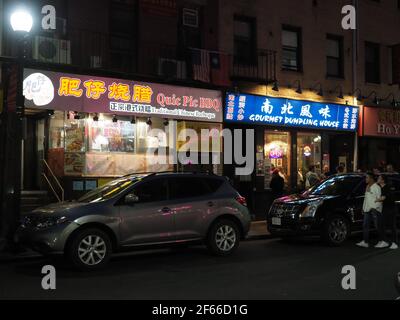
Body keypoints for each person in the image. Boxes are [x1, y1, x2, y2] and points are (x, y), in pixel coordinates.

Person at [357, 172, 385, 248]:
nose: (365, 179)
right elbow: (366, 198)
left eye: (367, 177)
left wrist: (376, 208)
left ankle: (382, 241)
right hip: (367, 209)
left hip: (375, 209)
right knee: (365, 225)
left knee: (377, 226)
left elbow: (380, 199)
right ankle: (365, 242)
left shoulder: (377, 187)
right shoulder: (367, 187)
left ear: (371, 179)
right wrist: (363, 207)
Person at [377, 175, 398, 250]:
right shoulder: (381, 188)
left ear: (383, 180)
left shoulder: (387, 187)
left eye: (379, 178)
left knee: (392, 226)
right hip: (385, 208)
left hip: (391, 208)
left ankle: (394, 243)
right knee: (382, 225)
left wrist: (375, 200)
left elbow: (383, 198)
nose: (378, 179)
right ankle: (384, 241)